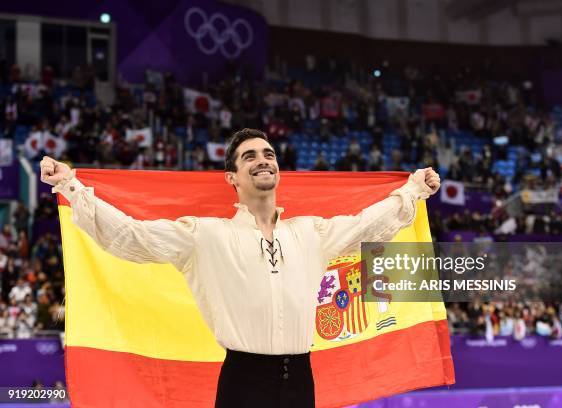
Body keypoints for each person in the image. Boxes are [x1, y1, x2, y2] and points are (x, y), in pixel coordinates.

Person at [40, 128, 441, 408]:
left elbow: (368, 225)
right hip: (243, 382)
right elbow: (129, 236)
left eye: (268, 154)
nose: (262, 160)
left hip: (302, 380)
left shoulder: (312, 233)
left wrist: (414, 190)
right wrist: (71, 186)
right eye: (249, 156)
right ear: (232, 176)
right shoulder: (204, 236)